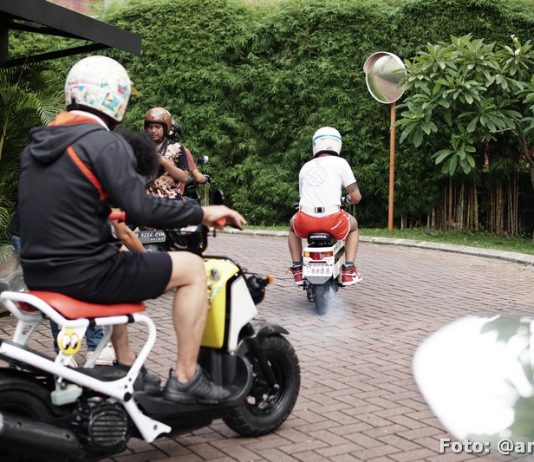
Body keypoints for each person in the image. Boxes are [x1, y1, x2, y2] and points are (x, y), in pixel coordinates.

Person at [17, 55, 246, 403]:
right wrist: (202, 212)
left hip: (39, 274)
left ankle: (125, 363)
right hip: (84, 275)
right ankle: (186, 377)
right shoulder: (103, 143)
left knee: (121, 253)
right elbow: (141, 207)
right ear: (117, 99)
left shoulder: (38, 146)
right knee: (191, 268)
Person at [288, 126, 363, 287]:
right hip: (333, 221)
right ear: (337, 144)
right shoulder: (341, 163)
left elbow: (303, 197)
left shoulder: (305, 167)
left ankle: (297, 268)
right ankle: (349, 269)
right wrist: (345, 199)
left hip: (305, 222)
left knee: (292, 227)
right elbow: (356, 197)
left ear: (315, 145)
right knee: (354, 227)